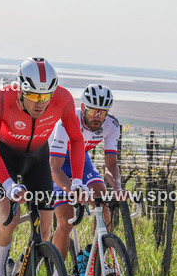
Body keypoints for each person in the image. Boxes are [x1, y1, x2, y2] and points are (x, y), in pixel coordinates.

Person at [0, 57, 87, 276]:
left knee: (46, 230)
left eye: (46, 97)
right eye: (34, 96)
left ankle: (20, 273)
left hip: (37, 158)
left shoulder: (62, 99)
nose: (41, 103)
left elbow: (77, 139)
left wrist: (77, 181)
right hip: (4, 158)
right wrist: (8, 184)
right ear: (20, 89)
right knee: (9, 218)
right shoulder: (0, 100)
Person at [49, 84, 124, 261]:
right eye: (92, 111)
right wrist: (73, 191)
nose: (97, 117)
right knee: (66, 220)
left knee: (101, 198)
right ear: (83, 107)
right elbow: (55, 168)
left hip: (80, 160)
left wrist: (118, 187)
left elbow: (111, 164)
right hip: (57, 163)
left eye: (102, 112)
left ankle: (93, 261)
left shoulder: (111, 125)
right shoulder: (65, 122)